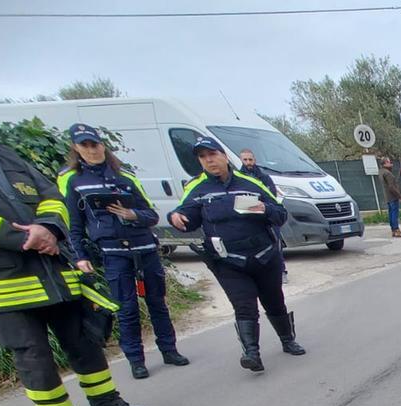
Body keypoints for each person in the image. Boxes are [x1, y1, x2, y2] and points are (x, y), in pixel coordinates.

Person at [0, 71, 147, 406]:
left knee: (83, 339)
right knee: (32, 353)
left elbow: (49, 191)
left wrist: (49, 226)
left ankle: (106, 401)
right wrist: (22, 237)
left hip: (50, 264)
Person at [58, 123, 188, 380]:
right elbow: (73, 225)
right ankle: (136, 360)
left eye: (95, 144)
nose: (92, 150)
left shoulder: (125, 177)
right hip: (113, 252)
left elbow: (151, 215)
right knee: (126, 308)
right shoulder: (73, 181)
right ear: (75, 148)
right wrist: (80, 256)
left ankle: (169, 350)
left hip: (145, 247)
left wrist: (132, 214)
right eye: (85, 145)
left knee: (157, 304)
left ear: (102, 146)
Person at [168, 137, 304, 372]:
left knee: (274, 301)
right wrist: (177, 218)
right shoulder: (196, 188)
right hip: (228, 261)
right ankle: (252, 354)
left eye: (212, 154)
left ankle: (288, 340)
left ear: (223, 155)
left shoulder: (250, 182)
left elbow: (280, 214)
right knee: (244, 305)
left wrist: (265, 209)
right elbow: (186, 216)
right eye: (203, 156)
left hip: (263, 255)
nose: (209, 160)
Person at [239, 148, 287, 280]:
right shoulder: (238, 178)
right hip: (248, 217)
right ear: (241, 160)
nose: (248, 162)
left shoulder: (264, 178)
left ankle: (281, 271)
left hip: (267, 216)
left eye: (250, 159)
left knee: (275, 244)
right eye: (245, 159)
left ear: (254, 160)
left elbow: (272, 197)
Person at [380, 156, 401, 238]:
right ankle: (396, 230)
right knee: (394, 213)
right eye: (389, 162)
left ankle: (393, 230)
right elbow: (391, 187)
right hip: (392, 196)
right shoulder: (387, 173)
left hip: (387, 197)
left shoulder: (381, 172)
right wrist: (399, 196)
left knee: (391, 213)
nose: (391, 163)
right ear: (385, 163)